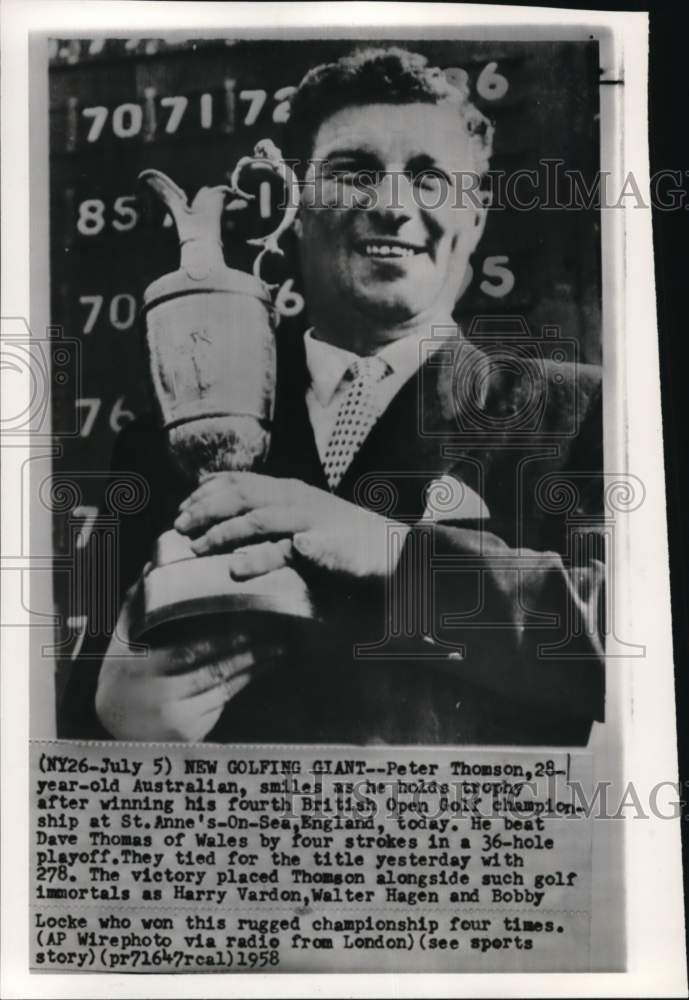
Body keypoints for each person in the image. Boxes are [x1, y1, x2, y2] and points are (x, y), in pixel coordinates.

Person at [60, 47, 604, 745]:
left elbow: (641, 646)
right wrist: (114, 724)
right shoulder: (163, 435)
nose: (391, 205)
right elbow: (66, 742)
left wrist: (395, 552)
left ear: (473, 219)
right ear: (294, 208)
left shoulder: (576, 416)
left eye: (429, 178)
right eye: (353, 172)